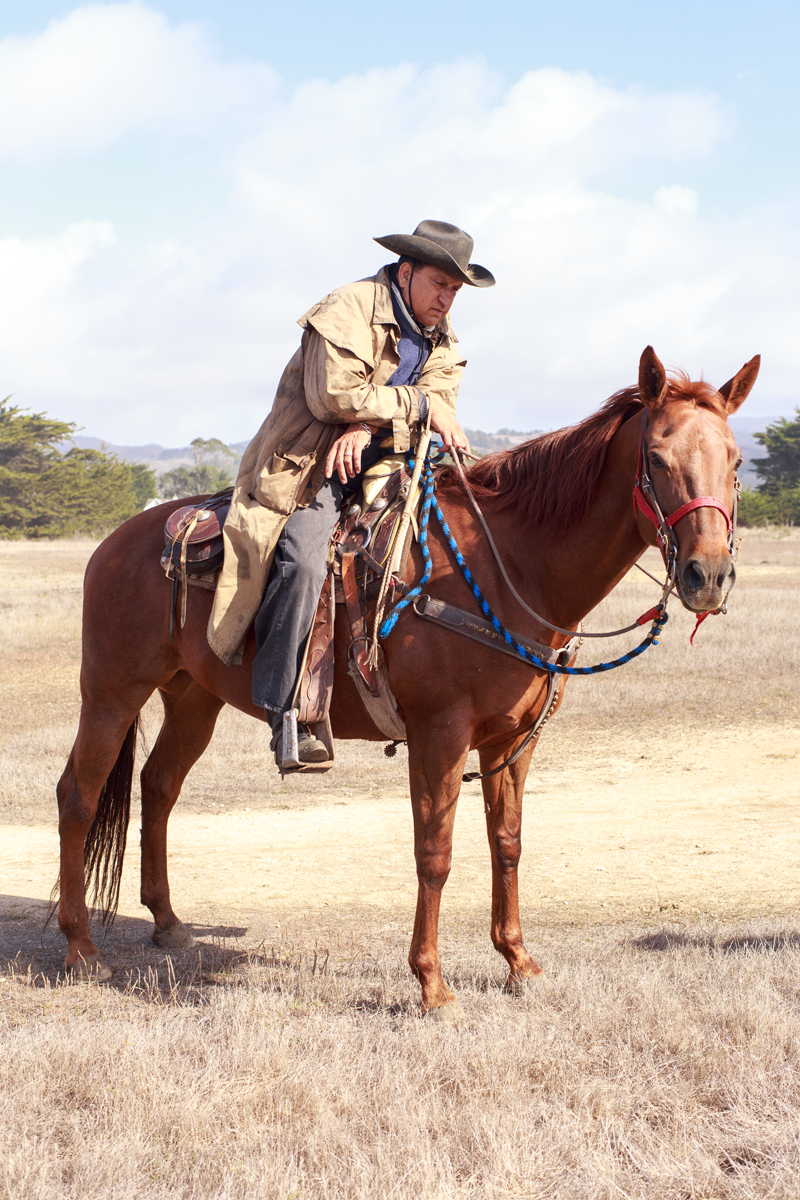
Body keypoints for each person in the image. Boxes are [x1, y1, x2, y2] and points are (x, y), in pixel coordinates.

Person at [207, 219, 495, 762]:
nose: (446, 299)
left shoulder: (442, 337)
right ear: (405, 272)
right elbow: (333, 396)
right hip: (311, 463)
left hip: (390, 461)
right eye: (439, 283)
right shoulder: (348, 307)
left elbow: (437, 407)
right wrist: (410, 407)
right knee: (303, 561)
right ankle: (285, 709)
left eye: (455, 290)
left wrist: (366, 424)